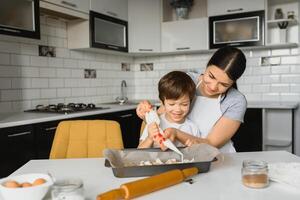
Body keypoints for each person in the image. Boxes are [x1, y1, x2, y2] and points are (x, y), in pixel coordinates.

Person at [137, 46, 247, 153]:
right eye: (211, 76)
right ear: (207, 65)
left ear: (232, 83)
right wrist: (146, 115)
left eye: (223, 84)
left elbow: (211, 143)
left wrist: (177, 134)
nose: (213, 87)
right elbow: (161, 116)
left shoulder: (236, 101)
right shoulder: (187, 81)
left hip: (221, 157)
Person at [138, 71, 201, 149]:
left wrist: (193, 149)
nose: (178, 109)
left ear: (190, 102)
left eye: (184, 104)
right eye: (172, 104)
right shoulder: (154, 124)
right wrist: (150, 138)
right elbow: (139, 151)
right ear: (162, 102)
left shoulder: (192, 128)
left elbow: (198, 154)